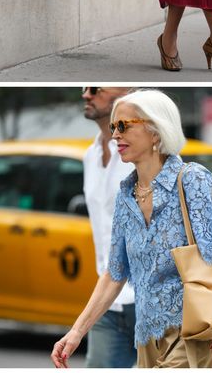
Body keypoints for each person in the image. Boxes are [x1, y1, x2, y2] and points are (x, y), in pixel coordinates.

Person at [51, 90, 212, 368]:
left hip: (195, 331)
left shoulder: (193, 180)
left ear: (156, 132)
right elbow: (114, 273)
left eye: (123, 126)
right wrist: (76, 332)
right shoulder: (125, 196)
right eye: (112, 127)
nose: (116, 135)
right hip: (146, 337)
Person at [80, 86, 138, 367]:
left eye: (95, 88)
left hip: (150, 299)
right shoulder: (89, 156)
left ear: (128, 91)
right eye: (84, 88)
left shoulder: (145, 156)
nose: (86, 94)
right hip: (107, 299)